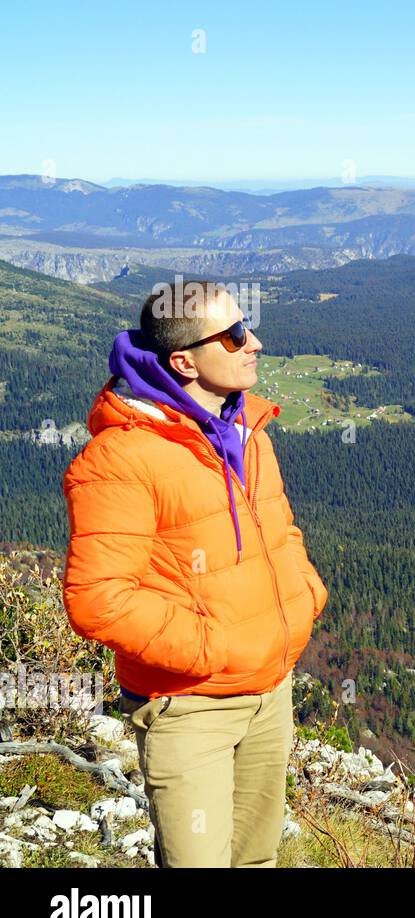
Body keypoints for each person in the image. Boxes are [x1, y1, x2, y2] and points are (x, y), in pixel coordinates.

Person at [62, 279, 327, 867]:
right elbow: (98, 598)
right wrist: (214, 647)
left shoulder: (246, 429)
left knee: (257, 859)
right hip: (189, 706)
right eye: (233, 335)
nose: (253, 341)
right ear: (183, 361)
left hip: (270, 692)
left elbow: (280, 532)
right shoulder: (121, 458)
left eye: (247, 326)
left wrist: (307, 594)